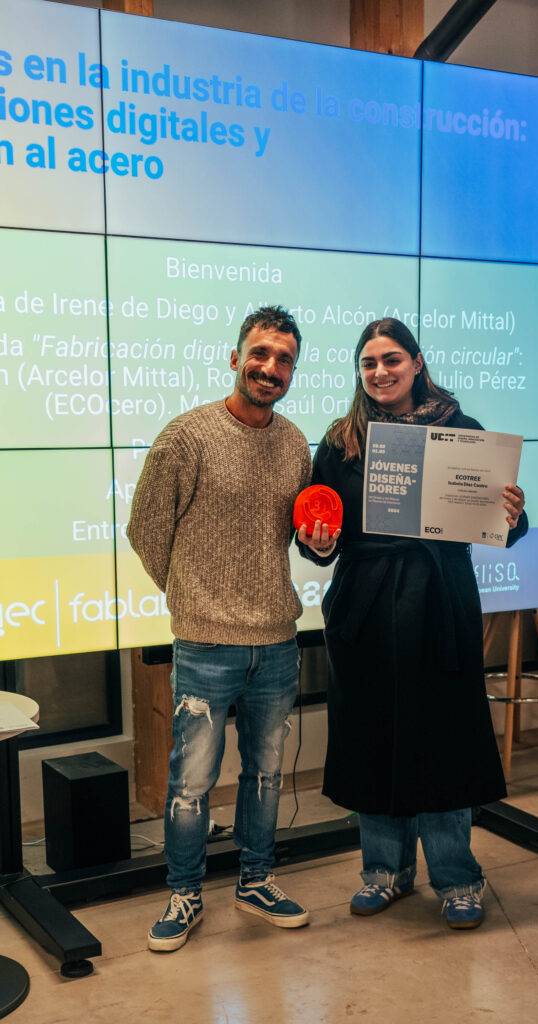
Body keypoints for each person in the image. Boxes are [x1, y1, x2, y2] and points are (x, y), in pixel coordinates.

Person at [297, 317, 527, 930]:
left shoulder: (463, 432)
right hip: (364, 604)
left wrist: (511, 513)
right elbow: (320, 539)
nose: (380, 372)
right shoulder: (341, 441)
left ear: (418, 362)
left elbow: (501, 528)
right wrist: (315, 542)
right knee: (372, 733)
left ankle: (456, 877)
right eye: (369, 362)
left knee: (442, 737)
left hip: (438, 599)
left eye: (392, 359)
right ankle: (384, 870)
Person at [128, 305, 313, 951]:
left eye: (283, 358)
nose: (270, 368)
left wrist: (321, 544)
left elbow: (304, 537)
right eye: (259, 354)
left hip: (276, 643)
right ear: (235, 358)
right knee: (191, 784)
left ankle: (256, 882)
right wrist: (194, 599)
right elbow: (146, 530)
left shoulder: (294, 443)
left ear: (292, 370)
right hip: (206, 644)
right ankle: (184, 895)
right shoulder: (187, 436)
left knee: (264, 776)